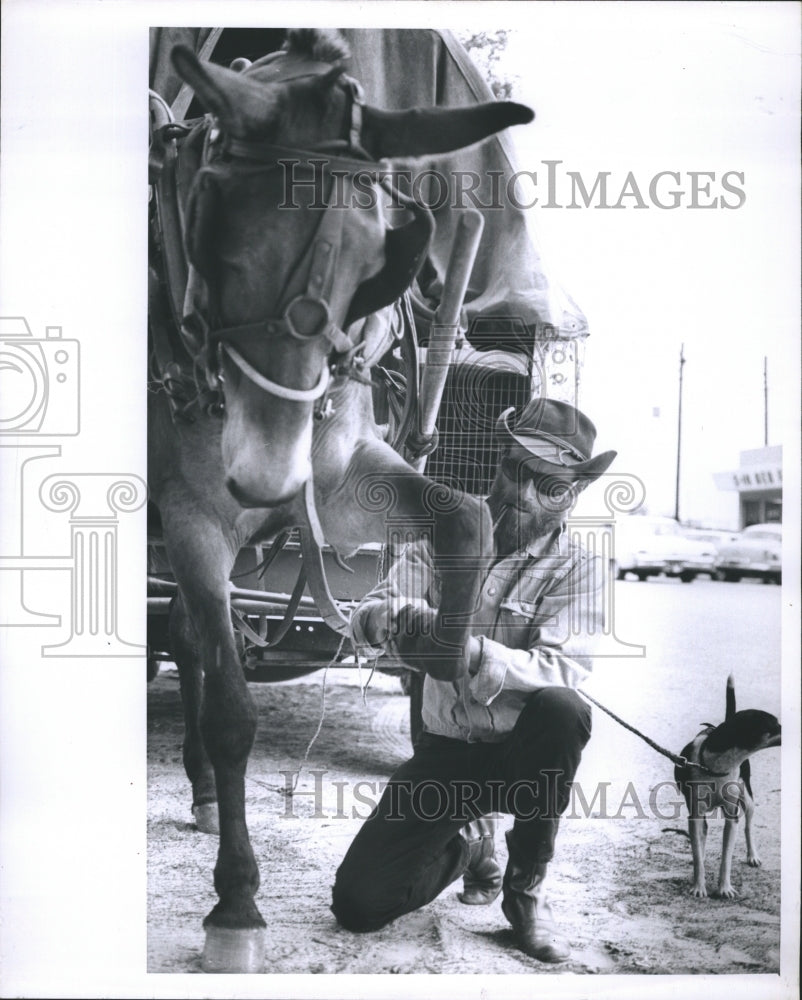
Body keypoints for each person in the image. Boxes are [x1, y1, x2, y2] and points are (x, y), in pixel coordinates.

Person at [331, 397, 617, 963]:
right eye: (516, 471)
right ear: (499, 464)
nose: (523, 494)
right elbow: (369, 611)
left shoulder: (582, 567)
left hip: (522, 760)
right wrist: (382, 618)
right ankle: (465, 847)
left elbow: (562, 667)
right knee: (358, 905)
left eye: (549, 484)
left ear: (573, 493)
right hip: (448, 754)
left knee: (564, 709)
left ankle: (523, 893)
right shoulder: (447, 534)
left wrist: (470, 652)